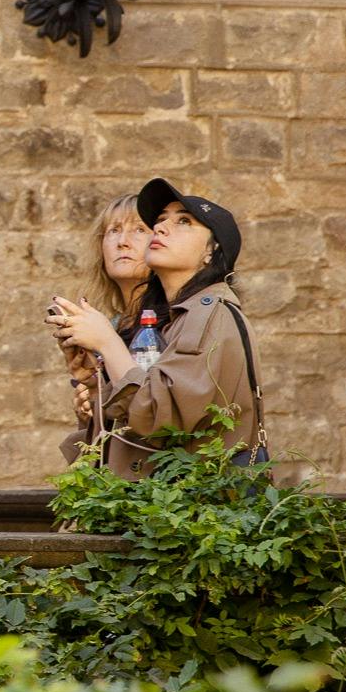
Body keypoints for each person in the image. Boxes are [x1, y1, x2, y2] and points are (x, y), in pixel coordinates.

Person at [48, 178, 263, 477]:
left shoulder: (211, 314)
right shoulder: (181, 317)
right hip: (157, 509)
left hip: (191, 515)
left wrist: (108, 343)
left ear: (210, 252)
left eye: (184, 222)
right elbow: (136, 433)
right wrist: (99, 387)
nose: (160, 228)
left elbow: (160, 421)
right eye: (160, 220)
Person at [50, 196, 151, 464]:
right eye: (113, 230)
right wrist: (92, 404)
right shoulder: (113, 325)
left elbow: (157, 411)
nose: (123, 242)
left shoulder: (169, 322)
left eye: (139, 230)